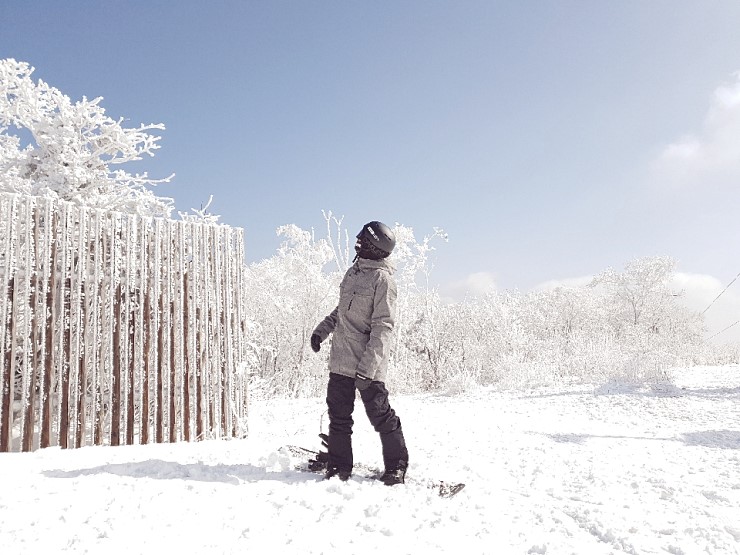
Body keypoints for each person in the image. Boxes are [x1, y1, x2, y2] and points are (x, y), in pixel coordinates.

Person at [310, 221, 408, 485]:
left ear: (374, 247)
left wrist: (367, 368)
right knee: (339, 417)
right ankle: (339, 467)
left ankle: (396, 466)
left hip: (368, 365)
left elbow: (383, 328)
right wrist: (322, 330)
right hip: (341, 360)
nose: (357, 244)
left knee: (380, 416)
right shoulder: (352, 273)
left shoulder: (382, 280)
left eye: (362, 241)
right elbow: (341, 311)